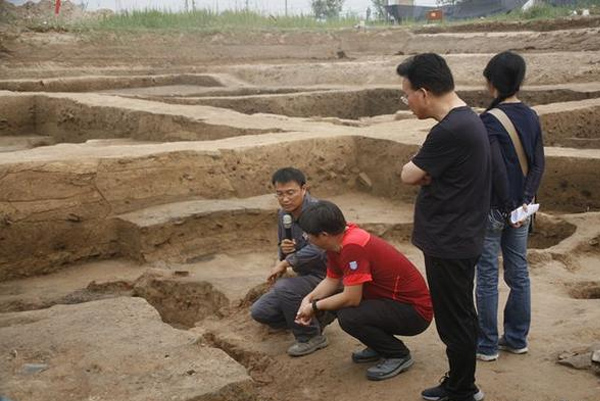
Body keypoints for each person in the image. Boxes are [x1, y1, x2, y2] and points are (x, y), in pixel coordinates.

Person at [398, 53, 491, 401]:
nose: (406, 102)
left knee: (455, 318)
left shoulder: (450, 130)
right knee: (459, 313)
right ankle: (459, 380)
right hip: (459, 235)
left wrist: (424, 172)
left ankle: (463, 388)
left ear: (423, 92)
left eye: (406, 94)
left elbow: (408, 174)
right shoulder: (467, 121)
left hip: (450, 240)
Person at [295, 200, 432, 381]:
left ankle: (398, 354)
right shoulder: (337, 243)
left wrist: (314, 307)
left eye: (308, 235)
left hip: (415, 312)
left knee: (349, 316)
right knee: (336, 303)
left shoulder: (352, 247)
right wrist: (308, 299)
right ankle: (379, 346)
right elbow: (331, 280)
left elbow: (352, 298)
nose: (306, 238)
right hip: (392, 303)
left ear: (324, 235)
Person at [475, 51, 545, 362]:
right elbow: (539, 164)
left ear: (493, 83)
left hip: (493, 209)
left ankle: (488, 345)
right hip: (521, 212)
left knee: (488, 276)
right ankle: (517, 338)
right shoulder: (531, 116)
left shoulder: (488, 120)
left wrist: (507, 206)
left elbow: (495, 170)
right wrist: (525, 202)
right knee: (519, 274)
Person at [250, 167, 330, 357]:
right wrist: (284, 252)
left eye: (290, 193)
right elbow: (283, 246)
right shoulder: (283, 215)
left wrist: (287, 263)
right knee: (260, 311)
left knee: (285, 287)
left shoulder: (318, 212)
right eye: (279, 194)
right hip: (303, 276)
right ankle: (314, 316)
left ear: (304, 189)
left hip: (328, 276)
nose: (285, 199)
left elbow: (320, 247)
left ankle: (311, 336)